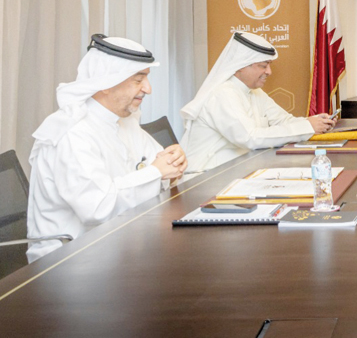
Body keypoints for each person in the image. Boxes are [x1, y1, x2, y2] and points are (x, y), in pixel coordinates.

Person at [26, 35, 188, 263]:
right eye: (138, 80)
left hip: (119, 246)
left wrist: (173, 164)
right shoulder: (72, 133)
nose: (148, 89)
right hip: (69, 264)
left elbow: (160, 168)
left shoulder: (124, 120)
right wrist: (158, 172)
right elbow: (98, 208)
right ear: (105, 84)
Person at [180, 32, 336, 172]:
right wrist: (307, 127)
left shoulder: (254, 92)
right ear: (240, 66)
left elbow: (283, 120)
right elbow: (250, 138)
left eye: (269, 65)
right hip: (206, 178)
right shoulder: (223, 94)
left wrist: (316, 123)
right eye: (263, 66)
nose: (269, 72)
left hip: (239, 169)